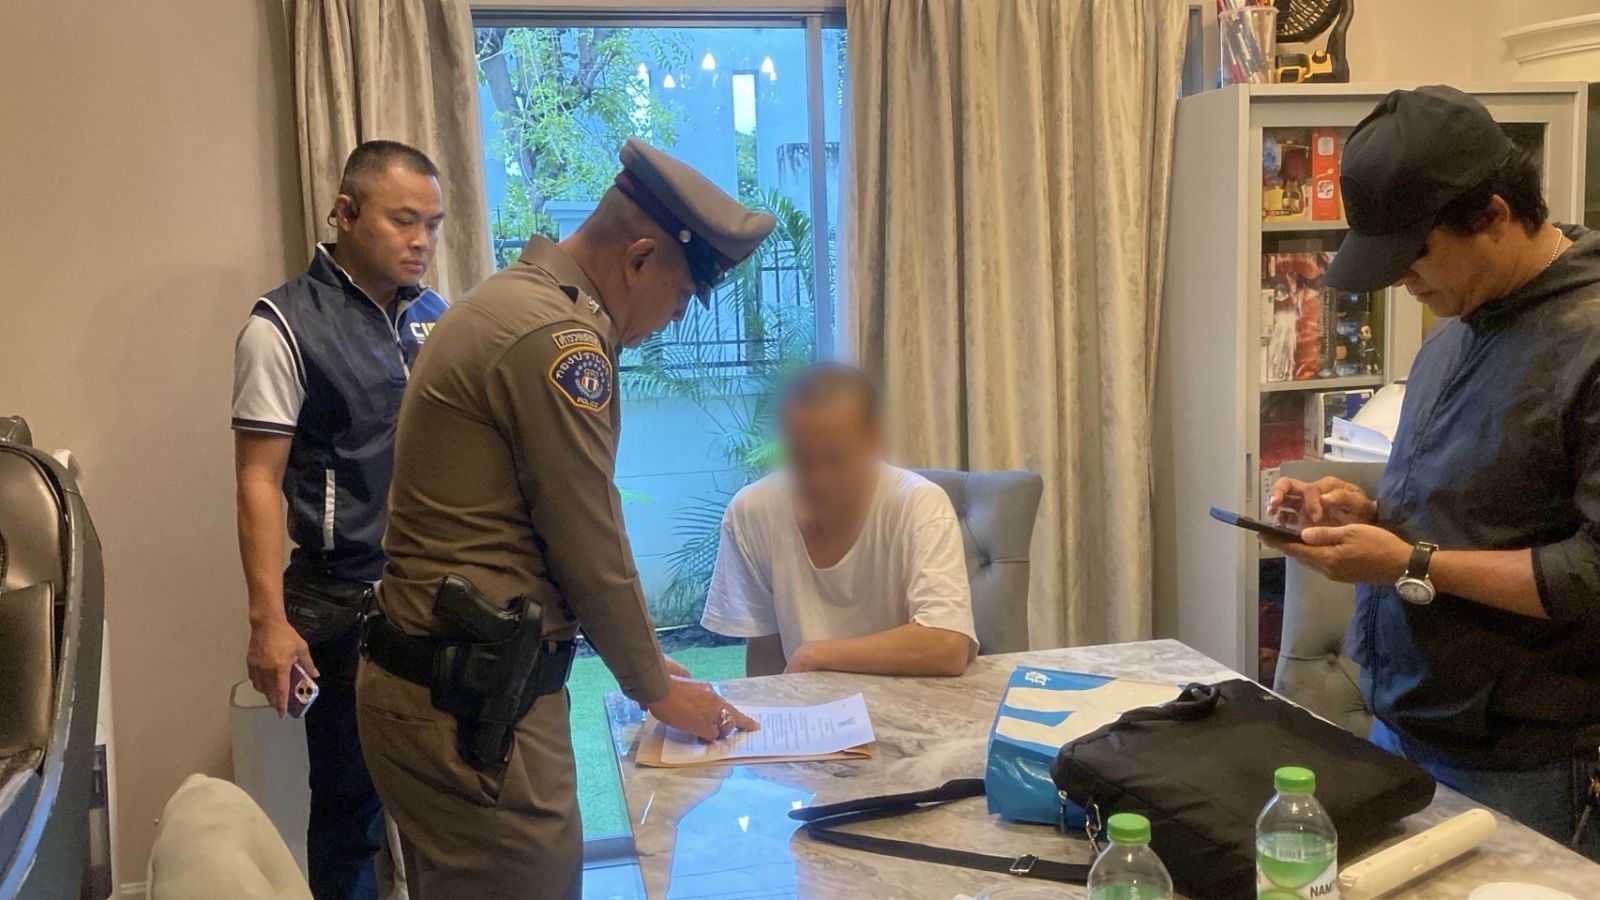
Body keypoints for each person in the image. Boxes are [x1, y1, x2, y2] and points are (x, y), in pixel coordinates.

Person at [355, 139, 768, 899]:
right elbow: (587, 536)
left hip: (441, 687)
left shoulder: (514, 302)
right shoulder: (559, 340)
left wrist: (647, 662)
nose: (673, 319)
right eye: (680, 296)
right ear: (639, 259)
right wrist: (655, 686)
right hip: (472, 709)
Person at [1264, 85, 1600, 858]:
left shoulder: (1587, 340)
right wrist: (1367, 515)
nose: (1402, 283)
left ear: (1492, 213)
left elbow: (1594, 570)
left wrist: (1410, 562)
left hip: (1529, 756)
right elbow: (1483, 503)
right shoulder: (1460, 320)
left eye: (1414, 254)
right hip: (1407, 719)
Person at [232, 140, 448, 899]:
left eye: (433, 224)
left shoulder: (437, 319)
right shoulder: (281, 325)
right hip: (342, 602)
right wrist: (268, 621)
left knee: (446, 812)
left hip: (436, 598)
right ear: (345, 213)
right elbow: (258, 481)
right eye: (403, 220)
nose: (421, 241)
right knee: (350, 817)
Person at [700, 364, 977, 677]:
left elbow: (947, 645)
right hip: (808, 703)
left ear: (874, 440)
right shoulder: (751, 511)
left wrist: (815, 655)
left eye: (836, 458)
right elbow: (765, 653)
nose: (820, 479)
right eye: (802, 458)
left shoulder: (919, 504)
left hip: (907, 696)